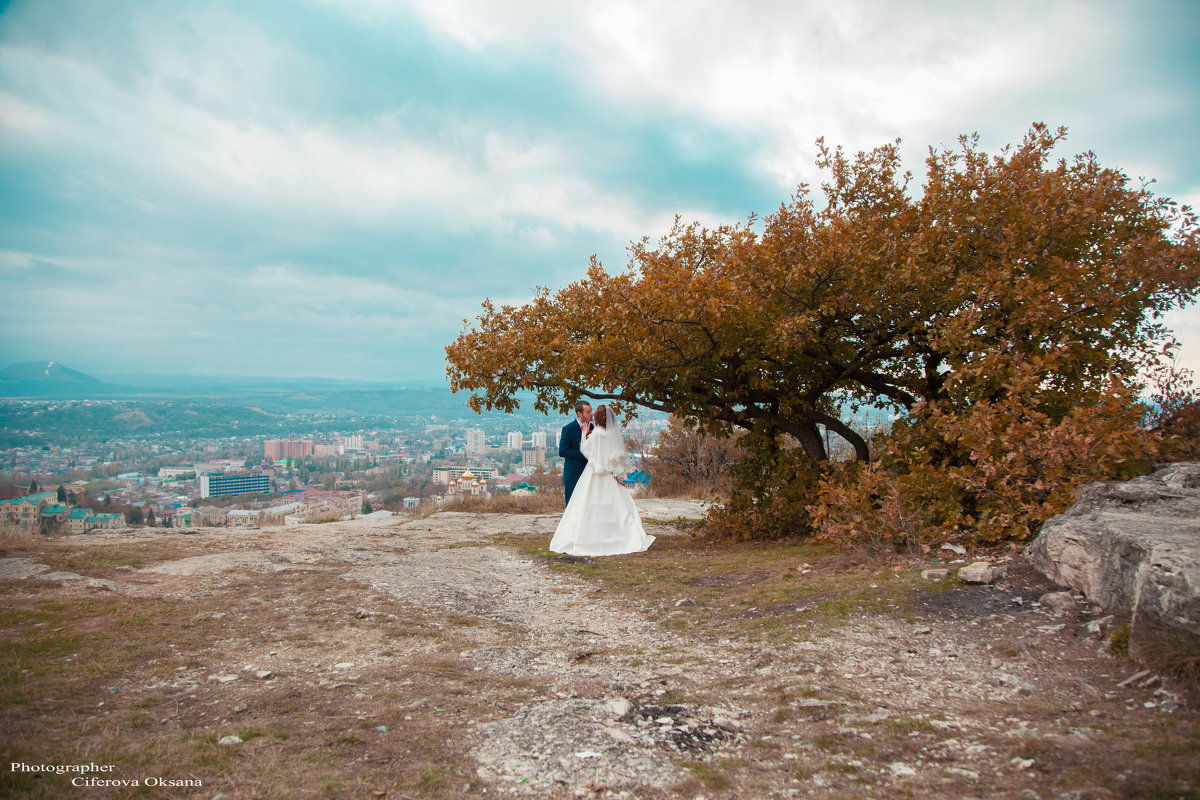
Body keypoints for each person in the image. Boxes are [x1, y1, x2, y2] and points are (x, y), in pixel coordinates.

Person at [549, 404, 655, 557]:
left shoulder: (595, 433)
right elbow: (616, 456)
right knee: (613, 505)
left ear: (598, 418)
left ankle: (586, 536)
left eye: (593, 412)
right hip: (608, 474)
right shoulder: (612, 435)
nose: (591, 414)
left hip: (593, 473)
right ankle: (617, 536)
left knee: (586, 504)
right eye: (588, 411)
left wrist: (585, 435)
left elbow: (587, 451)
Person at [559, 400, 592, 506]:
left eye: (591, 411)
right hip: (573, 475)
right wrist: (585, 454)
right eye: (588, 412)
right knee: (572, 505)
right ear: (579, 414)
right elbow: (563, 451)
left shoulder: (592, 428)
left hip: (589, 474)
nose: (591, 414)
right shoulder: (569, 429)